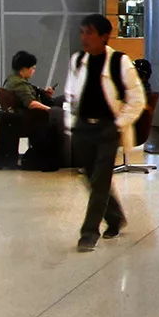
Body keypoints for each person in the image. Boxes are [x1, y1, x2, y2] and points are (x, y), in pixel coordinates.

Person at [57, 14, 145, 251]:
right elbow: (70, 96)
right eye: (82, 32)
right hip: (83, 127)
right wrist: (70, 123)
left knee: (100, 180)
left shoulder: (119, 61)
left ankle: (89, 232)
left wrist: (118, 124)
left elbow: (137, 99)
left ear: (104, 36)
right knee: (90, 177)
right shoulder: (78, 61)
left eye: (89, 32)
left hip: (107, 128)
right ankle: (115, 217)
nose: (84, 38)